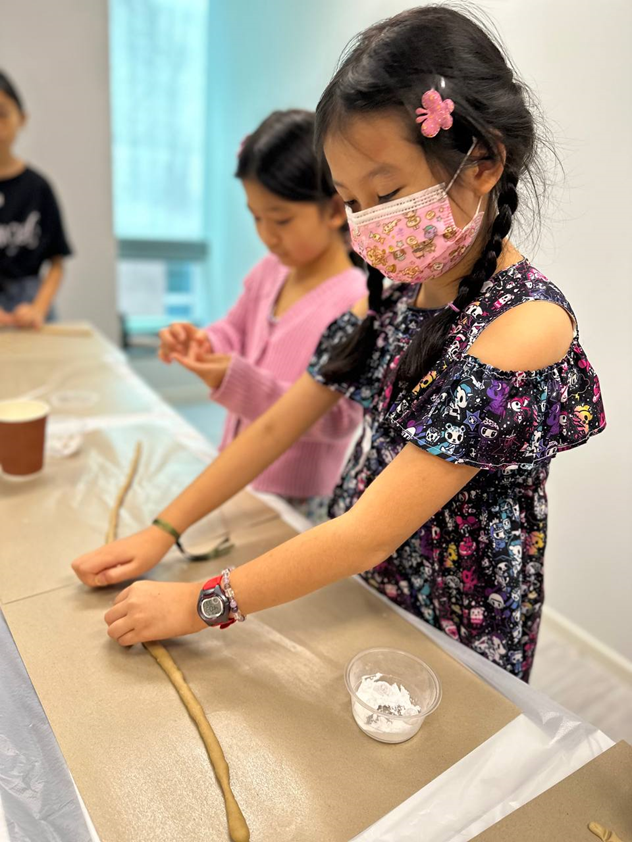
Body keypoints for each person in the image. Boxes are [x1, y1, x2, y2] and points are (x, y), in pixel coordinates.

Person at [72, 6, 605, 681]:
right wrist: (164, 530)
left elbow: (369, 531)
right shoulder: (388, 293)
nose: (369, 226)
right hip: (365, 587)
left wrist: (196, 605)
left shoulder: (527, 326)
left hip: (459, 618)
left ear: (484, 162)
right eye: (353, 203)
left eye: (386, 192)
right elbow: (273, 430)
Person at [158, 110, 366, 519]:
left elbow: (340, 419)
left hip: (298, 498)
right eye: (256, 217)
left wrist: (235, 380)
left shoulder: (354, 300)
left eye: (282, 219)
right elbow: (235, 329)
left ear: (333, 210)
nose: (267, 235)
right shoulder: (271, 270)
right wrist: (205, 343)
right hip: (240, 476)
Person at [0, 71, 72, 327]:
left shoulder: (38, 187)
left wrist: (38, 308)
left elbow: (57, 262)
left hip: (29, 307)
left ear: (23, 118)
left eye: (3, 113)